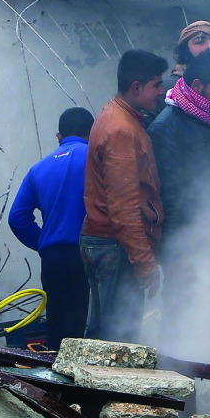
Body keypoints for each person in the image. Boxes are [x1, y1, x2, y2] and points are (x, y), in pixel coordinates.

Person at [148, 50, 210, 361]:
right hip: (188, 242)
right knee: (181, 314)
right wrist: (175, 253)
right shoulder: (167, 128)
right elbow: (171, 197)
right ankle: (175, 389)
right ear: (197, 85)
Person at [80, 49, 168, 343]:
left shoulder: (118, 117)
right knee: (119, 341)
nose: (161, 91)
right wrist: (145, 264)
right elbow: (124, 207)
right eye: (156, 84)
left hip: (106, 243)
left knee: (105, 334)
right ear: (136, 87)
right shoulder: (121, 129)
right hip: (115, 246)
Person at [9, 107, 96, 350]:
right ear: (92, 132)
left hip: (52, 257)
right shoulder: (96, 158)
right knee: (79, 325)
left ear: (59, 136)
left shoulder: (38, 168)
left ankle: (53, 380)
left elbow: (17, 217)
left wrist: (44, 241)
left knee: (56, 326)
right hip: (86, 253)